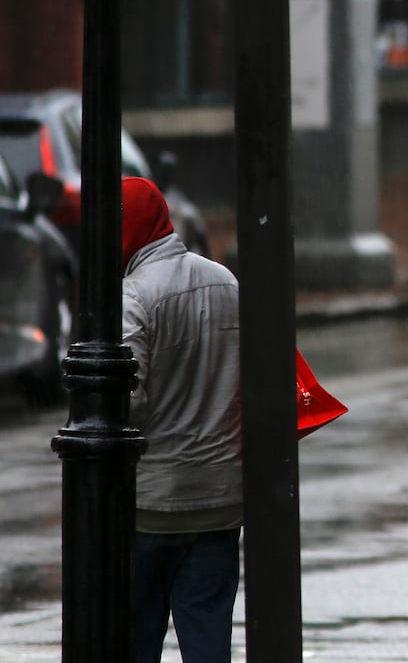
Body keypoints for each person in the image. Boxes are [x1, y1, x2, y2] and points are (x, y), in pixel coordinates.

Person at [121, 176, 243, 663]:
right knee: (209, 637)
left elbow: (123, 401)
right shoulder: (226, 282)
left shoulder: (132, 297)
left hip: (151, 506)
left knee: (136, 637)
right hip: (219, 501)